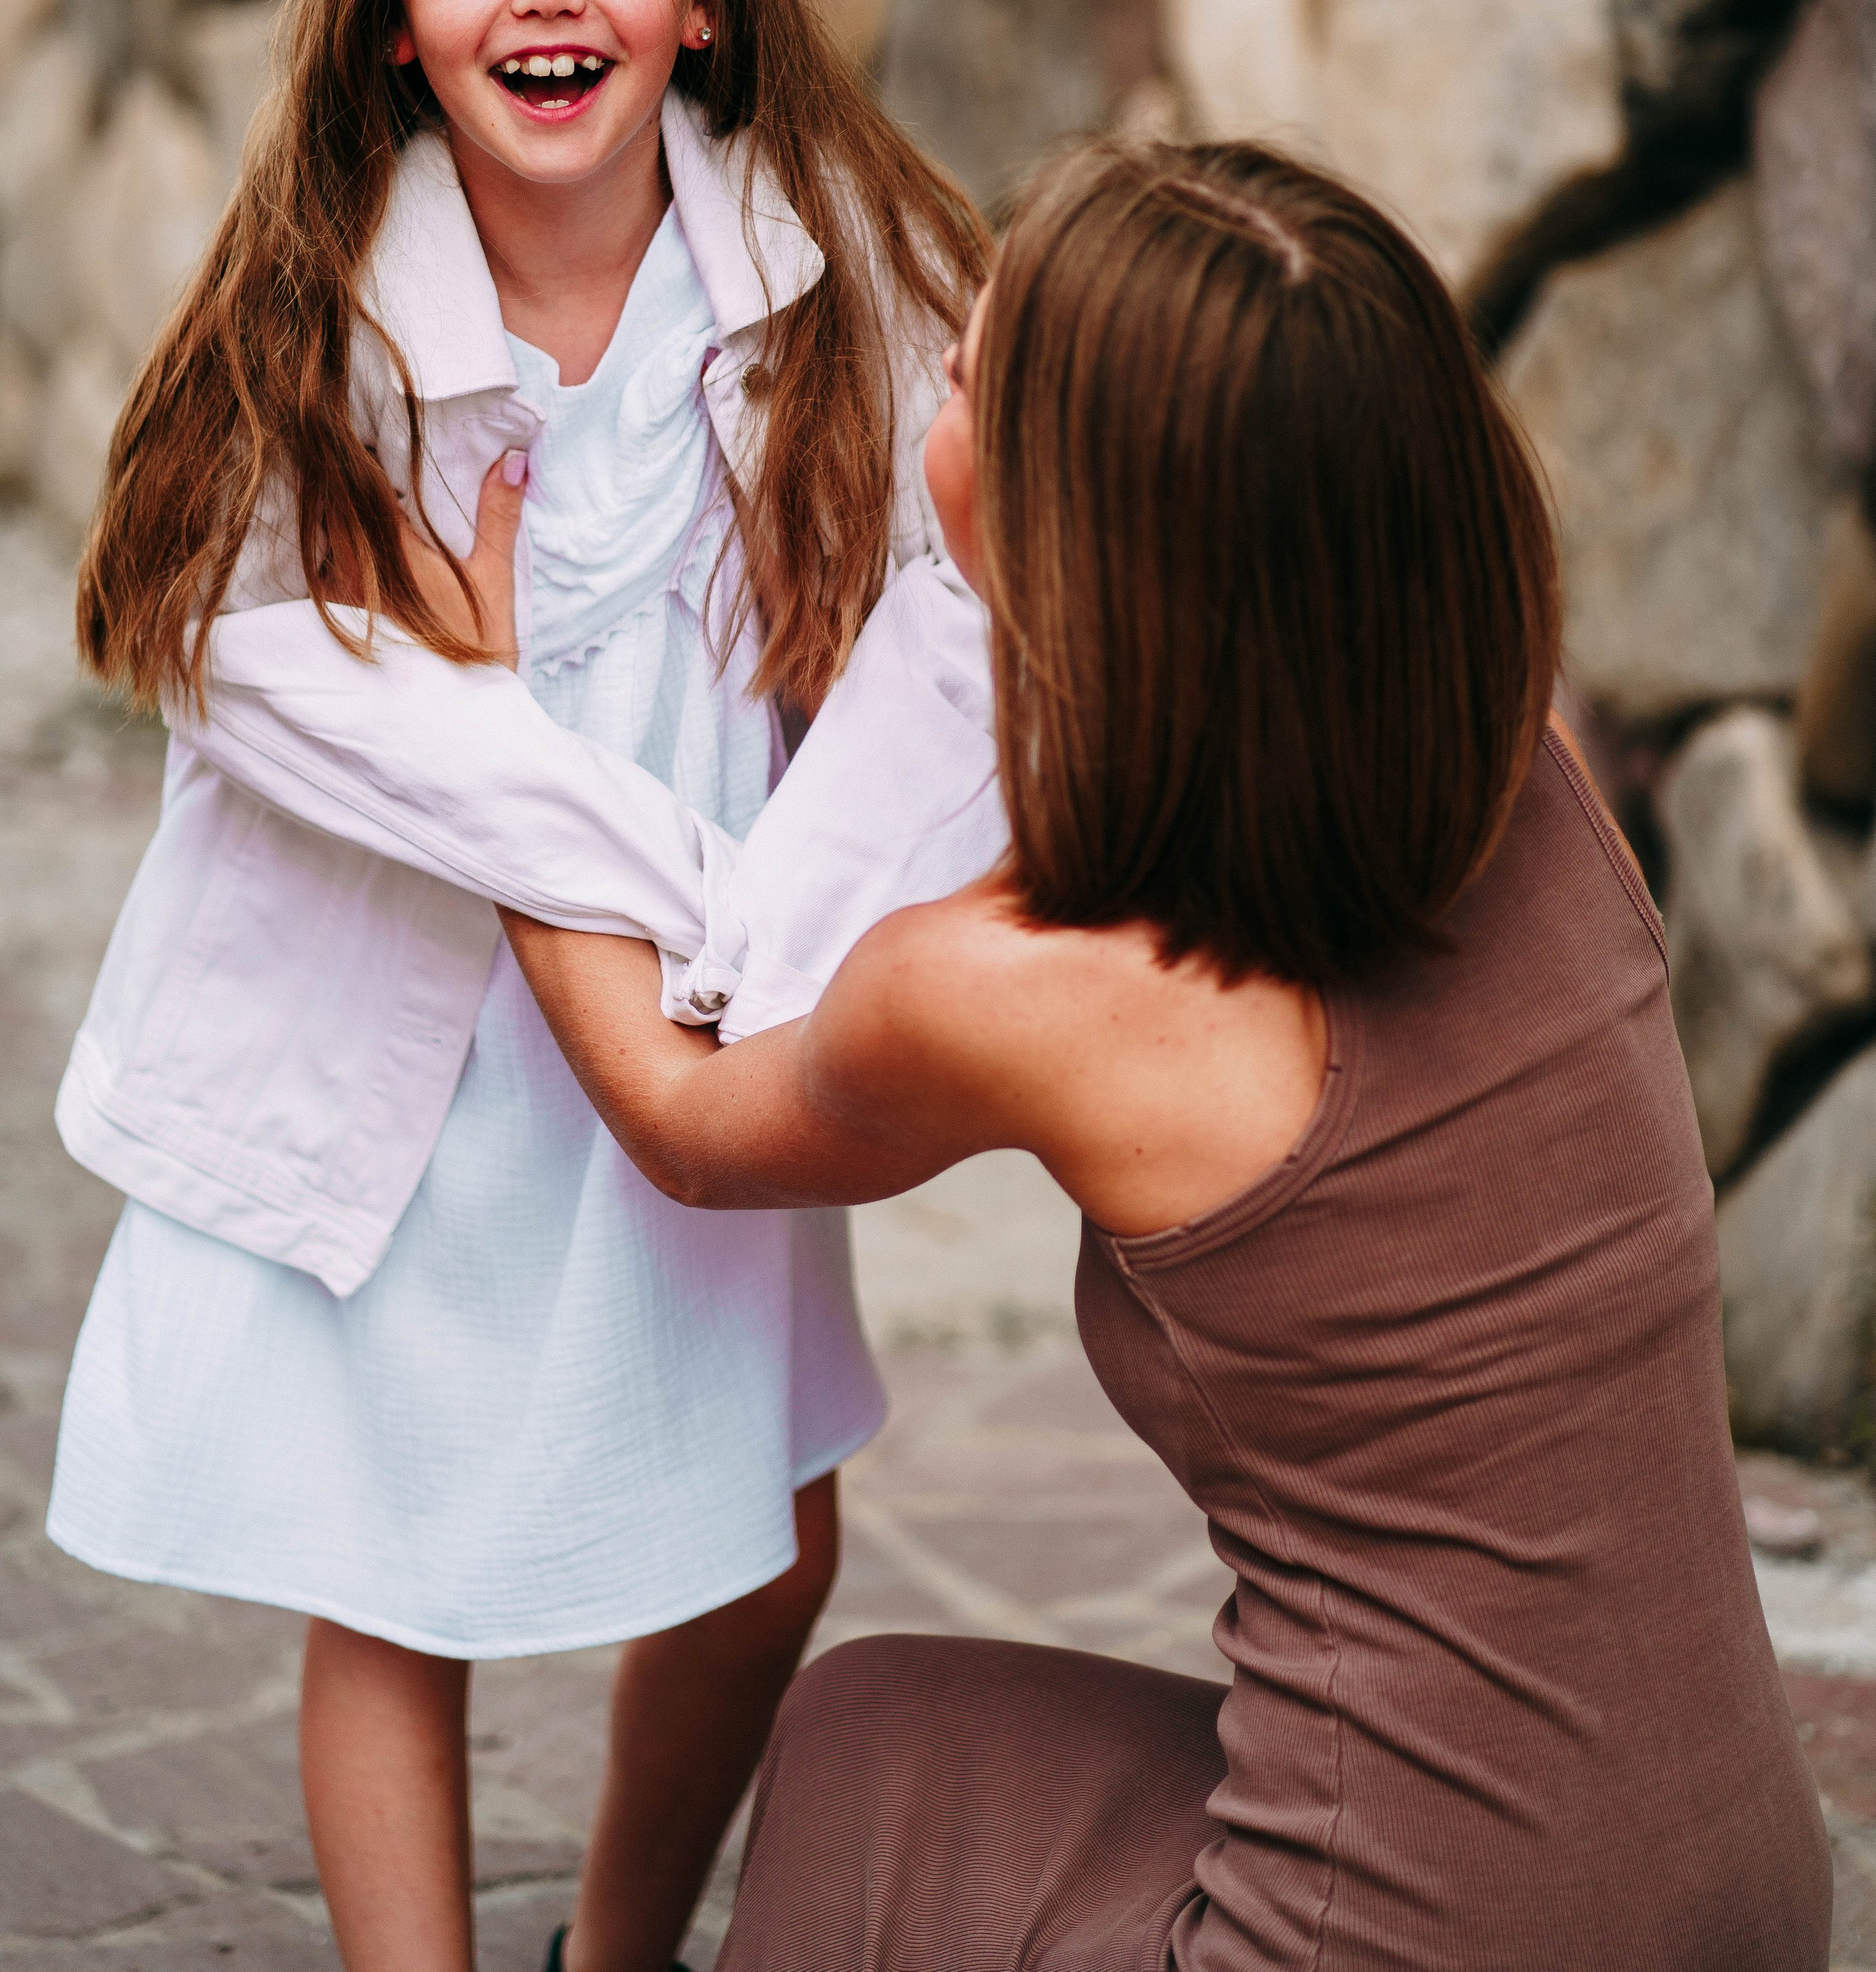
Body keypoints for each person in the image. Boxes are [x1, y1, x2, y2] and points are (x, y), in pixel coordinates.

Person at [490, 139, 1831, 1971]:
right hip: (1739, 1890)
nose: (933, 384)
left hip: (1402, 1940)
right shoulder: (1520, 762)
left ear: (1078, 536)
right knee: (880, 1733)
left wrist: (483, 713)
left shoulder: (1018, 988)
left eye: (967, 382)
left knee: (863, 1773)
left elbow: (682, 1116)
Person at [47, 0, 989, 1972]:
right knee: (388, 1557)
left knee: (768, 1540)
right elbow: (264, 670)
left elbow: (961, 609)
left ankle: (617, 1946)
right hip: (417, 1041)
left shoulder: (837, 262)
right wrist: (643, 847)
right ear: (391, 10)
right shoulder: (324, 316)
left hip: (708, 1028)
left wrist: (814, 885)